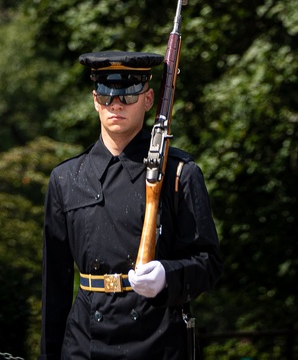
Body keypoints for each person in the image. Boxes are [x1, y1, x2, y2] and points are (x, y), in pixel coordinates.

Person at [40, 49, 222, 360]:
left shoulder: (178, 173)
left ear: (149, 100)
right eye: (107, 94)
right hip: (85, 344)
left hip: (157, 342)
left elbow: (208, 264)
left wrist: (168, 275)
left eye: (128, 94)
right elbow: (54, 288)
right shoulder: (67, 178)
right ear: (95, 100)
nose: (116, 104)